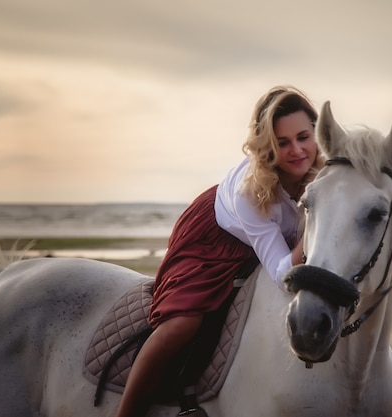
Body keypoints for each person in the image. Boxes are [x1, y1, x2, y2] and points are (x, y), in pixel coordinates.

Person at [115, 85, 324, 417]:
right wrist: (316, 224)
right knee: (181, 324)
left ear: (317, 133)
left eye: (303, 137)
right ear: (267, 147)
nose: (297, 150)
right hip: (214, 239)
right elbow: (284, 272)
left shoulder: (325, 173)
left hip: (273, 241)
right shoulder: (249, 192)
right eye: (282, 143)